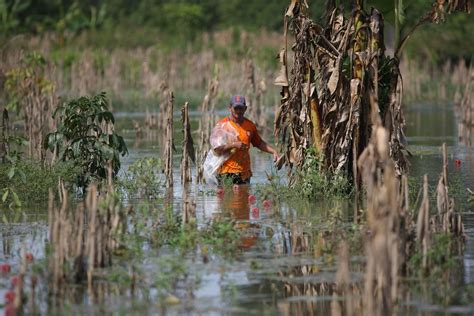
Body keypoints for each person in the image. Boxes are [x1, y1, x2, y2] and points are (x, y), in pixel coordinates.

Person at [213, 95, 279, 185]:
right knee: (227, 198)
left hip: (244, 173)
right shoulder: (222, 126)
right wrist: (233, 145)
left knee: (243, 198)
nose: (238, 111)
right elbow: (216, 150)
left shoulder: (250, 126)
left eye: (241, 108)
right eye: (236, 108)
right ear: (230, 108)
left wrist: (273, 151)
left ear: (245, 109)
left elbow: (259, 143)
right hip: (225, 172)